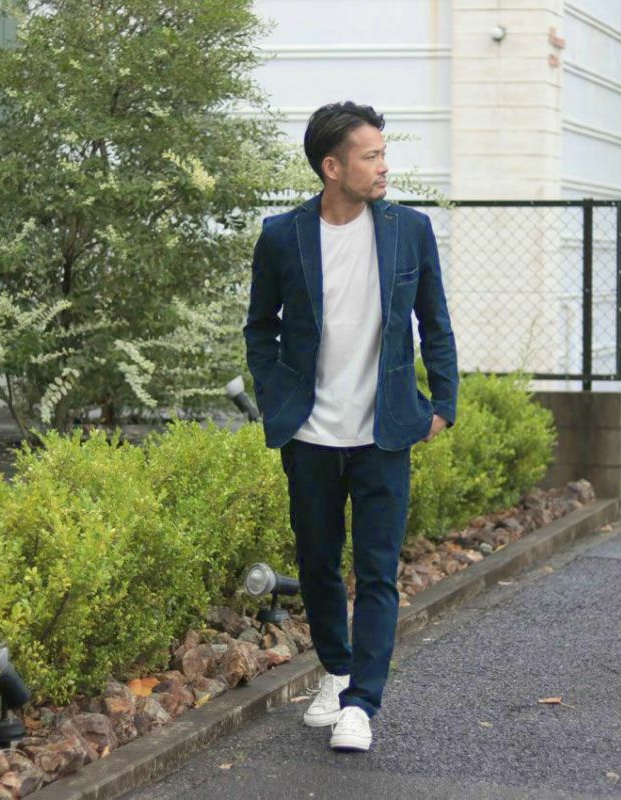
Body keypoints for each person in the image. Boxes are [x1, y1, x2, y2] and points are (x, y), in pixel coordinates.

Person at [243, 101, 458, 752]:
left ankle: (362, 702)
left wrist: (443, 403)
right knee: (317, 564)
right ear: (332, 167)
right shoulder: (282, 236)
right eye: (372, 156)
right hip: (309, 433)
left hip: (383, 431)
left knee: (378, 570)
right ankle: (336, 673)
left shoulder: (409, 230)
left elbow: (435, 322)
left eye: (383, 153)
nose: (384, 166)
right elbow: (260, 327)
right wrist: (277, 396)